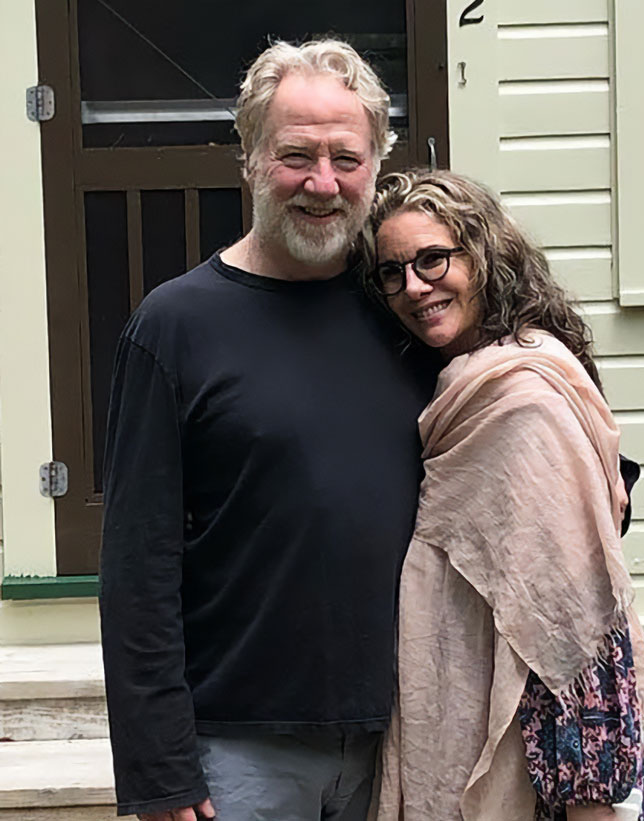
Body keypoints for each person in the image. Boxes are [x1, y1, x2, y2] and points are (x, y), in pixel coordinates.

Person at [99, 41, 435, 821]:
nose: (323, 183)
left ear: (376, 165)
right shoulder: (175, 326)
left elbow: (520, 383)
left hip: (407, 738)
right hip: (237, 750)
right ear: (249, 158)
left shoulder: (410, 308)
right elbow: (137, 568)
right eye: (296, 156)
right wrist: (159, 769)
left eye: (346, 158)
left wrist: (591, 474)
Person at [365, 168, 644, 821]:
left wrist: (589, 799)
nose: (414, 286)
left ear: (483, 254)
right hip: (462, 726)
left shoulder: (523, 401)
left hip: (541, 780)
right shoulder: (450, 382)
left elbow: (570, 621)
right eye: (392, 271)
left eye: (433, 259)